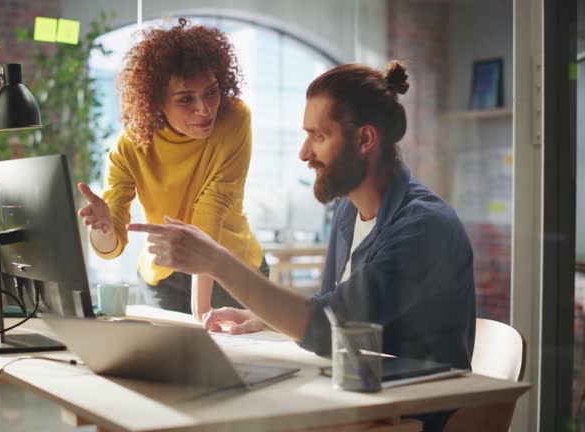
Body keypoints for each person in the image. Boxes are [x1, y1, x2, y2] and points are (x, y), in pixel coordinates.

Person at [128, 61, 476, 432]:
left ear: (364, 140)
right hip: (355, 397)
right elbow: (337, 308)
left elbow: (331, 328)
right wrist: (264, 319)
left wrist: (216, 261)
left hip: (405, 419)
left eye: (319, 136)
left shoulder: (423, 227)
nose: (304, 153)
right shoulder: (348, 210)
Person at [77, 18, 267, 319]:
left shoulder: (234, 118)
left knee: (234, 359)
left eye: (211, 92)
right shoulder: (129, 147)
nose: (204, 109)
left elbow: (212, 206)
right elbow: (111, 247)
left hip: (229, 267)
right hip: (164, 275)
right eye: (185, 99)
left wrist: (200, 312)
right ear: (156, 103)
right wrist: (103, 228)